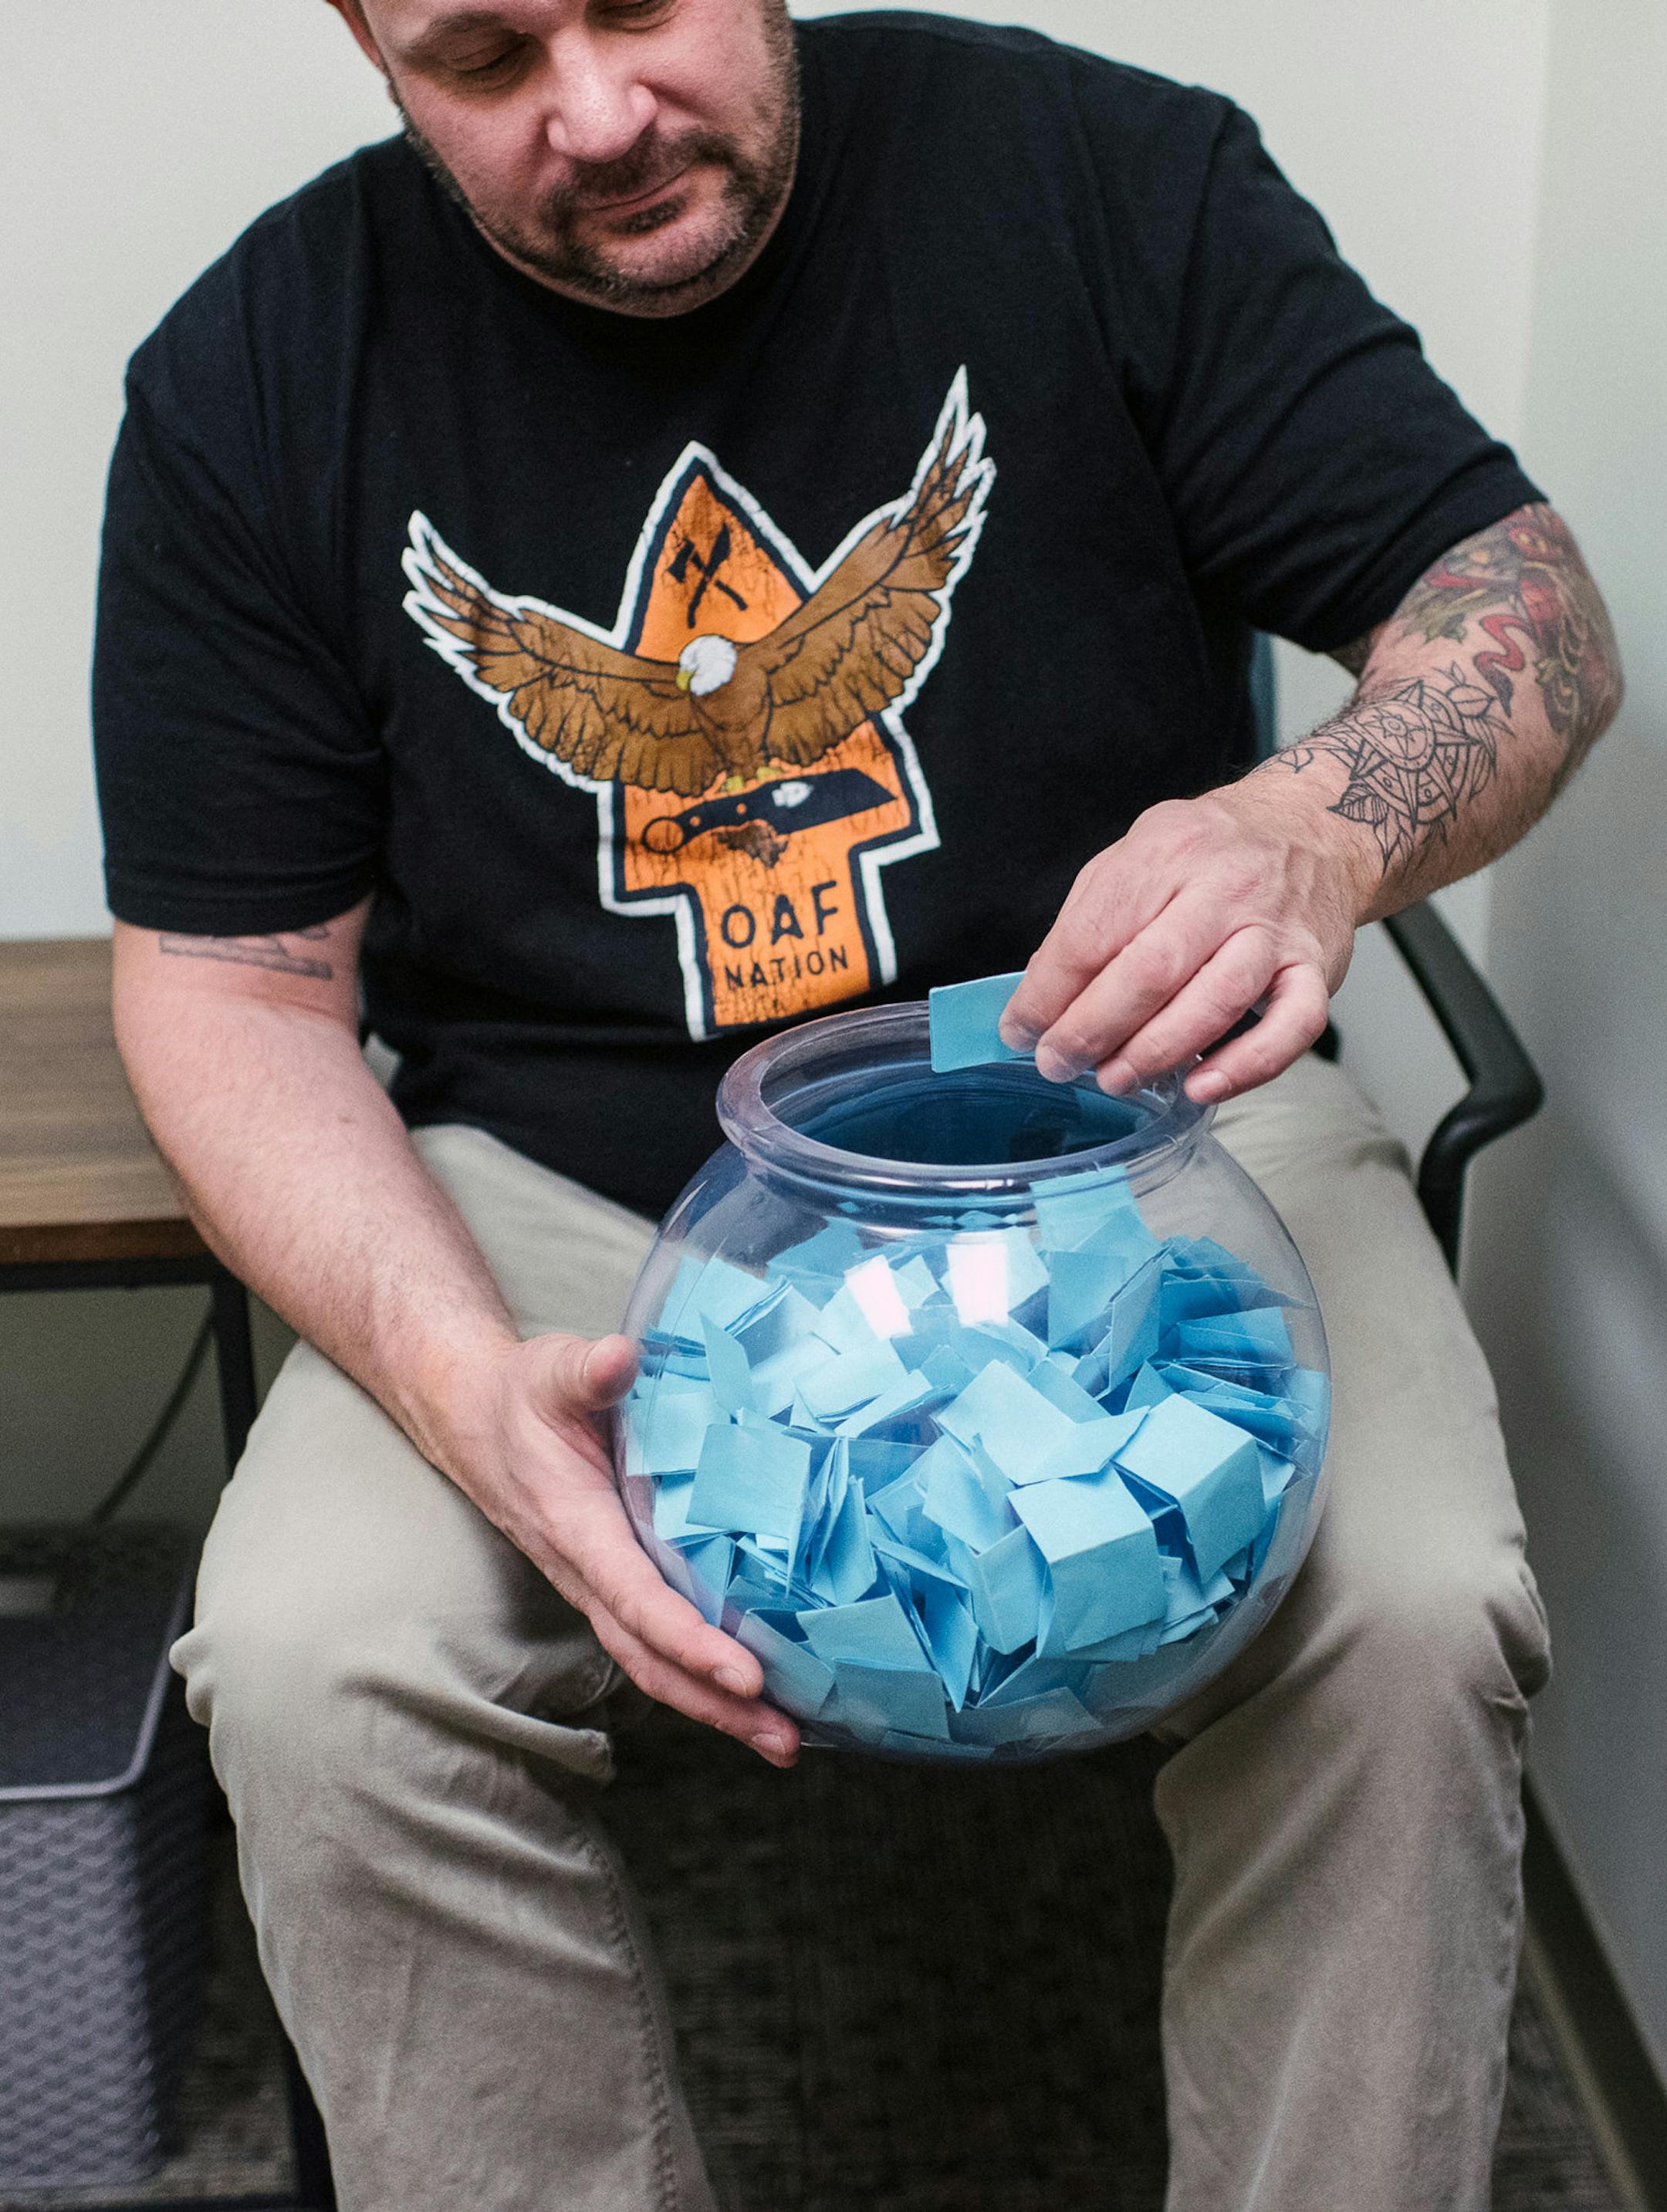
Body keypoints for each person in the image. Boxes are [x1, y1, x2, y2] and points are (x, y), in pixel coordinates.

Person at [92, 4, 1621, 2207]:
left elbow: (1527, 606)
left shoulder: (1105, 175)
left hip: (1129, 1113)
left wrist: (1318, 830)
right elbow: (235, 988)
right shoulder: (253, 372)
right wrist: (452, 1378)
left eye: (634, 1)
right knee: (322, 1657)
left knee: (1408, 1602)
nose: (596, 112)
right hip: (569, 1179)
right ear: (362, 38)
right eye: (483, 53)